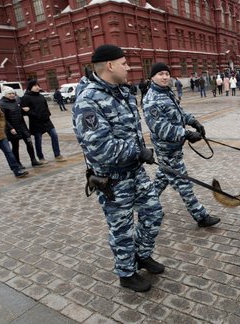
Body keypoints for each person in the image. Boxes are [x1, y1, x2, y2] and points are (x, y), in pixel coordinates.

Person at [72, 44, 165, 293]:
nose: (129, 67)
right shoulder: (88, 101)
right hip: (112, 180)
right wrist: (139, 151)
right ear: (110, 66)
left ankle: (141, 255)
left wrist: (139, 151)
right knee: (122, 229)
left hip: (135, 172)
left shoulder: (122, 92)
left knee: (154, 213)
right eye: (124, 63)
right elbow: (101, 148)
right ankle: (126, 273)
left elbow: (131, 131)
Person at [142, 62, 221, 229]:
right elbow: (161, 128)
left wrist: (194, 121)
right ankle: (200, 216)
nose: (165, 77)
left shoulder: (166, 92)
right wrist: (186, 134)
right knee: (184, 183)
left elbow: (179, 112)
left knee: (161, 179)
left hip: (174, 148)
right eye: (160, 74)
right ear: (152, 77)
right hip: (167, 150)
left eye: (167, 73)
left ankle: (147, 206)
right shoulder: (151, 99)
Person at [21, 79, 66, 163]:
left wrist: (48, 114)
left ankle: (57, 154)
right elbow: (23, 110)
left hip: (46, 120)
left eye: (38, 85)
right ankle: (41, 157)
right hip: (36, 122)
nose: (38, 87)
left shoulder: (41, 96)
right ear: (30, 87)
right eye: (35, 86)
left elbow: (45, 107)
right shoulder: (26, 97)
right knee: (38, 140)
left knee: (54, 135)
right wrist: (32, 113)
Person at [0, 87, 44, 168]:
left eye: (13, 93)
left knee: (29, 143)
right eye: (10, 94)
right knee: (15, 146)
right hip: (13, 128)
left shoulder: (17, 100)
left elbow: (20, 112)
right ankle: (18, 163)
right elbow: (3, 118)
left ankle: (33, 160)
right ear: (5, 95)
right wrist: (10, 128)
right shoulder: (2, 104)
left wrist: (25, 110)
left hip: (22, 126)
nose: (12, 95)